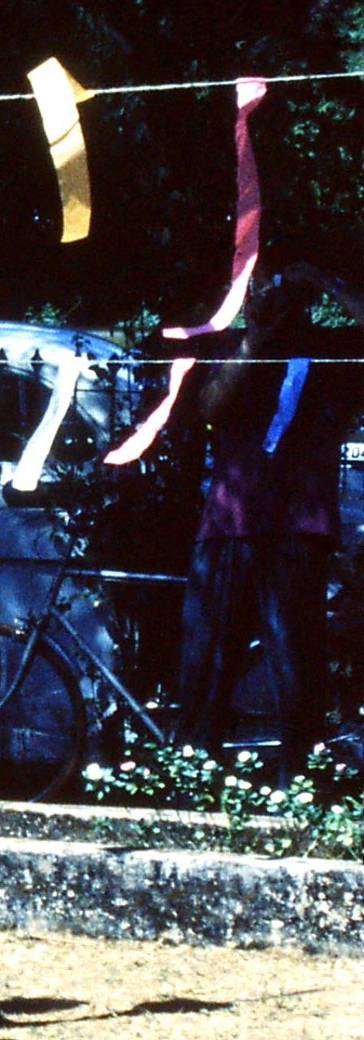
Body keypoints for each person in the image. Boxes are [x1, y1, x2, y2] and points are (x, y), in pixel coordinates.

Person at [175, 262, 364, 783]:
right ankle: (192, 776)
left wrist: (327, 282)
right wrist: (256, 336)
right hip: (229, 523)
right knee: (205, 663)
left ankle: (298, 783)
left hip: (297, 525)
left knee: (296, 665)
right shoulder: (239, 344)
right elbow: (211, 404)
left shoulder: (333, 349)